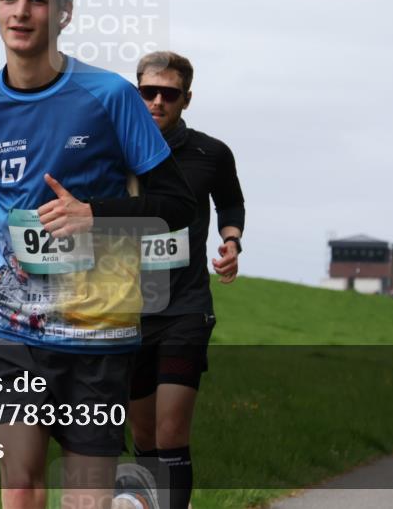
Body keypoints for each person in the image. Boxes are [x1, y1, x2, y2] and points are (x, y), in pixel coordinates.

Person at [0, 0, 195, 509]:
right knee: (19, 485)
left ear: (63, 12)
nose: (22, 11)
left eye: (38, 0)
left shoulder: (109, 95)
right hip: (10, 324)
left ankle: (130, 498)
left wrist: (94, 215)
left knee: (83, 498)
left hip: (97, 326)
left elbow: (177, 206)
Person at [128, 51, 246, 508]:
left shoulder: (210, 153)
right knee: (143, 435)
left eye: (169, 94)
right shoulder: (115, 148)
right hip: (127, 308)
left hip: (186, 306)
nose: (157, 101)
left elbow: (231, 203)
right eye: (148, 92)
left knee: (170, 429)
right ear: (136, 93)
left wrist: (232, 242)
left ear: (186, 99)